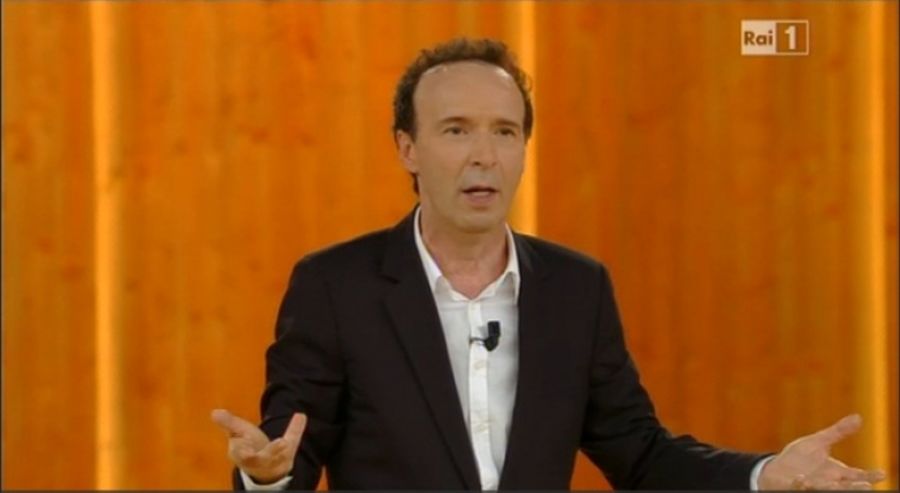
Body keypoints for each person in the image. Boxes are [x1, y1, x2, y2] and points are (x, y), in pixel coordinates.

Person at [211, 38, 886, 490]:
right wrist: (267, 476)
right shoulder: (336, 287)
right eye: (456, 130)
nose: (485, 155)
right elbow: (290, 452)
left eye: (505, 132)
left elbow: (639, 453)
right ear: (407, 148)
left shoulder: (575, 289)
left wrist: (762, 475)